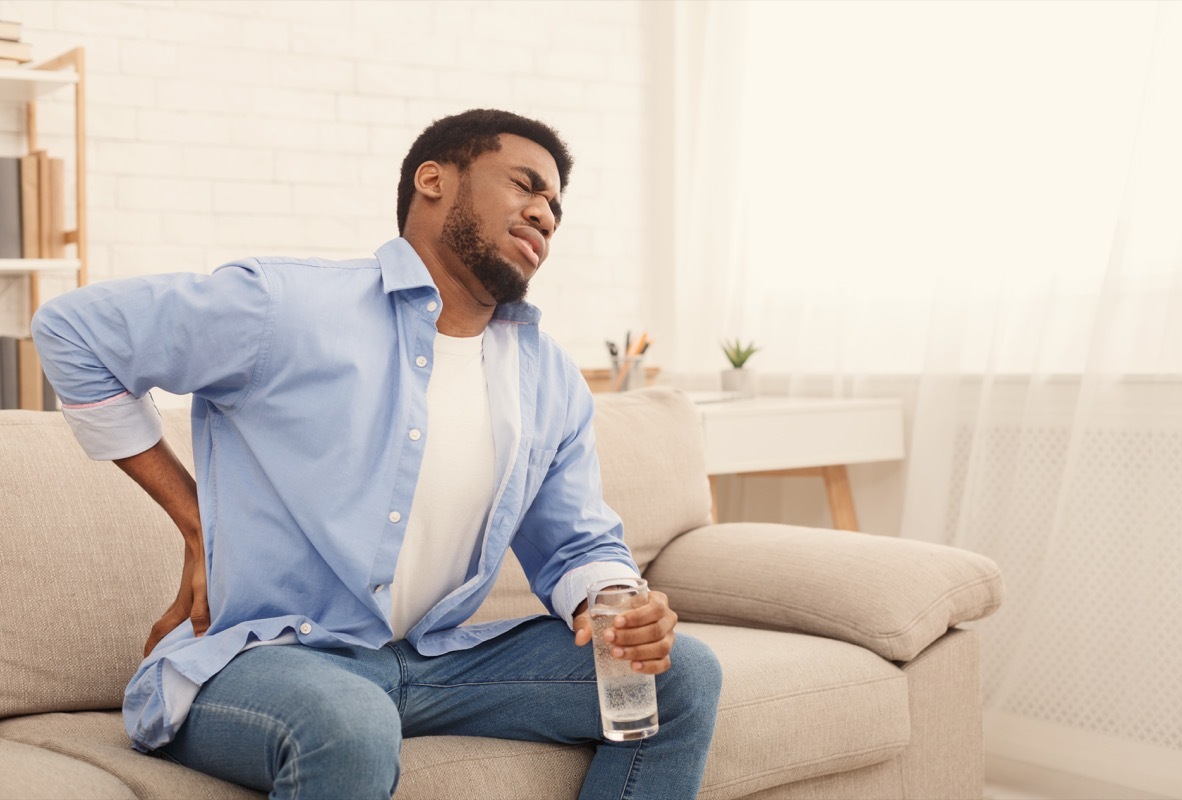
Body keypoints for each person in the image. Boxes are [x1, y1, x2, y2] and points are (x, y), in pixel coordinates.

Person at [32, 109, 721, 800]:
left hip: (429, 662)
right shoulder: (289, 306)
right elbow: (73, 332)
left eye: (555, 208)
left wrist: (618, 604)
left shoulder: (548, 378)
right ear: (434, 180)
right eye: (524, 184)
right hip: (265, 658)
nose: (544, 213)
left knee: (678, 679)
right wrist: (195, 522)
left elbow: (576, 543)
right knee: (350, 721)